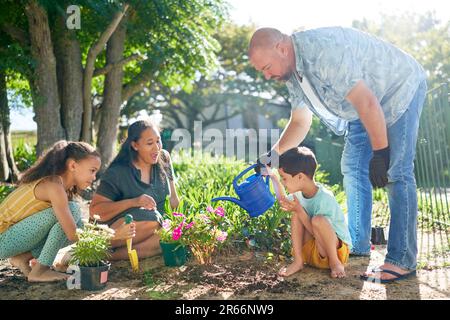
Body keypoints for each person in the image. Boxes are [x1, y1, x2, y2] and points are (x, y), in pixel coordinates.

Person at [249, 27, 427, 283]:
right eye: (261, 71)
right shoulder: (293, 74)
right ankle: (357, 243)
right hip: (361, 106)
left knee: (396, 171)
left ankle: (402, 259)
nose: (266, 75)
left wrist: (380, 152)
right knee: (353, 167)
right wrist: (273, 155)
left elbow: (367, 102)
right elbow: (300, 121)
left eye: (266, 67)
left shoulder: (322, 51)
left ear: (281, 48)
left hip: (398, 88)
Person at [0, 141, 135, 282]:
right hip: (3, 241)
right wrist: (115, 235)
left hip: (11, 240)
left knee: (75, 221)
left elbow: (76, 229)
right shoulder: (53, 186)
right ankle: (40, 271)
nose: (94, 178)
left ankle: (23, 258)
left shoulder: (58, 186)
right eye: (92, 170)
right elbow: (72, 234)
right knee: (73, 211)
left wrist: (110, 232)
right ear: (72, 165)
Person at [90, 119, 180, 261]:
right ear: (135, 145)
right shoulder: (118, 172)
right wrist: (134, 202)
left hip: (152, 230)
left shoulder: (163, 158)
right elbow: (95, 210)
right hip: (115, 231)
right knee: (151, 218)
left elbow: (174, 200)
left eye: (158, 141)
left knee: (168, 237)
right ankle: (100, 248)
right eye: (150, 143)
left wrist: (179, 224)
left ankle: (107, 256)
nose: (156, 148)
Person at [266, 146, 352, 278]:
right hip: (314, 252)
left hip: (334, 251)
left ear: (300, 177)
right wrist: (273, 178)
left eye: (284, 178)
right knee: (296, 214)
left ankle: (335, 263)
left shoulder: (324, 198)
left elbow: (316, 230)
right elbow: (283, 201)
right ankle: (298, 261)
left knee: (317, 219)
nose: (283, 182)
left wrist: (300, 210)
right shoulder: (299, 194)